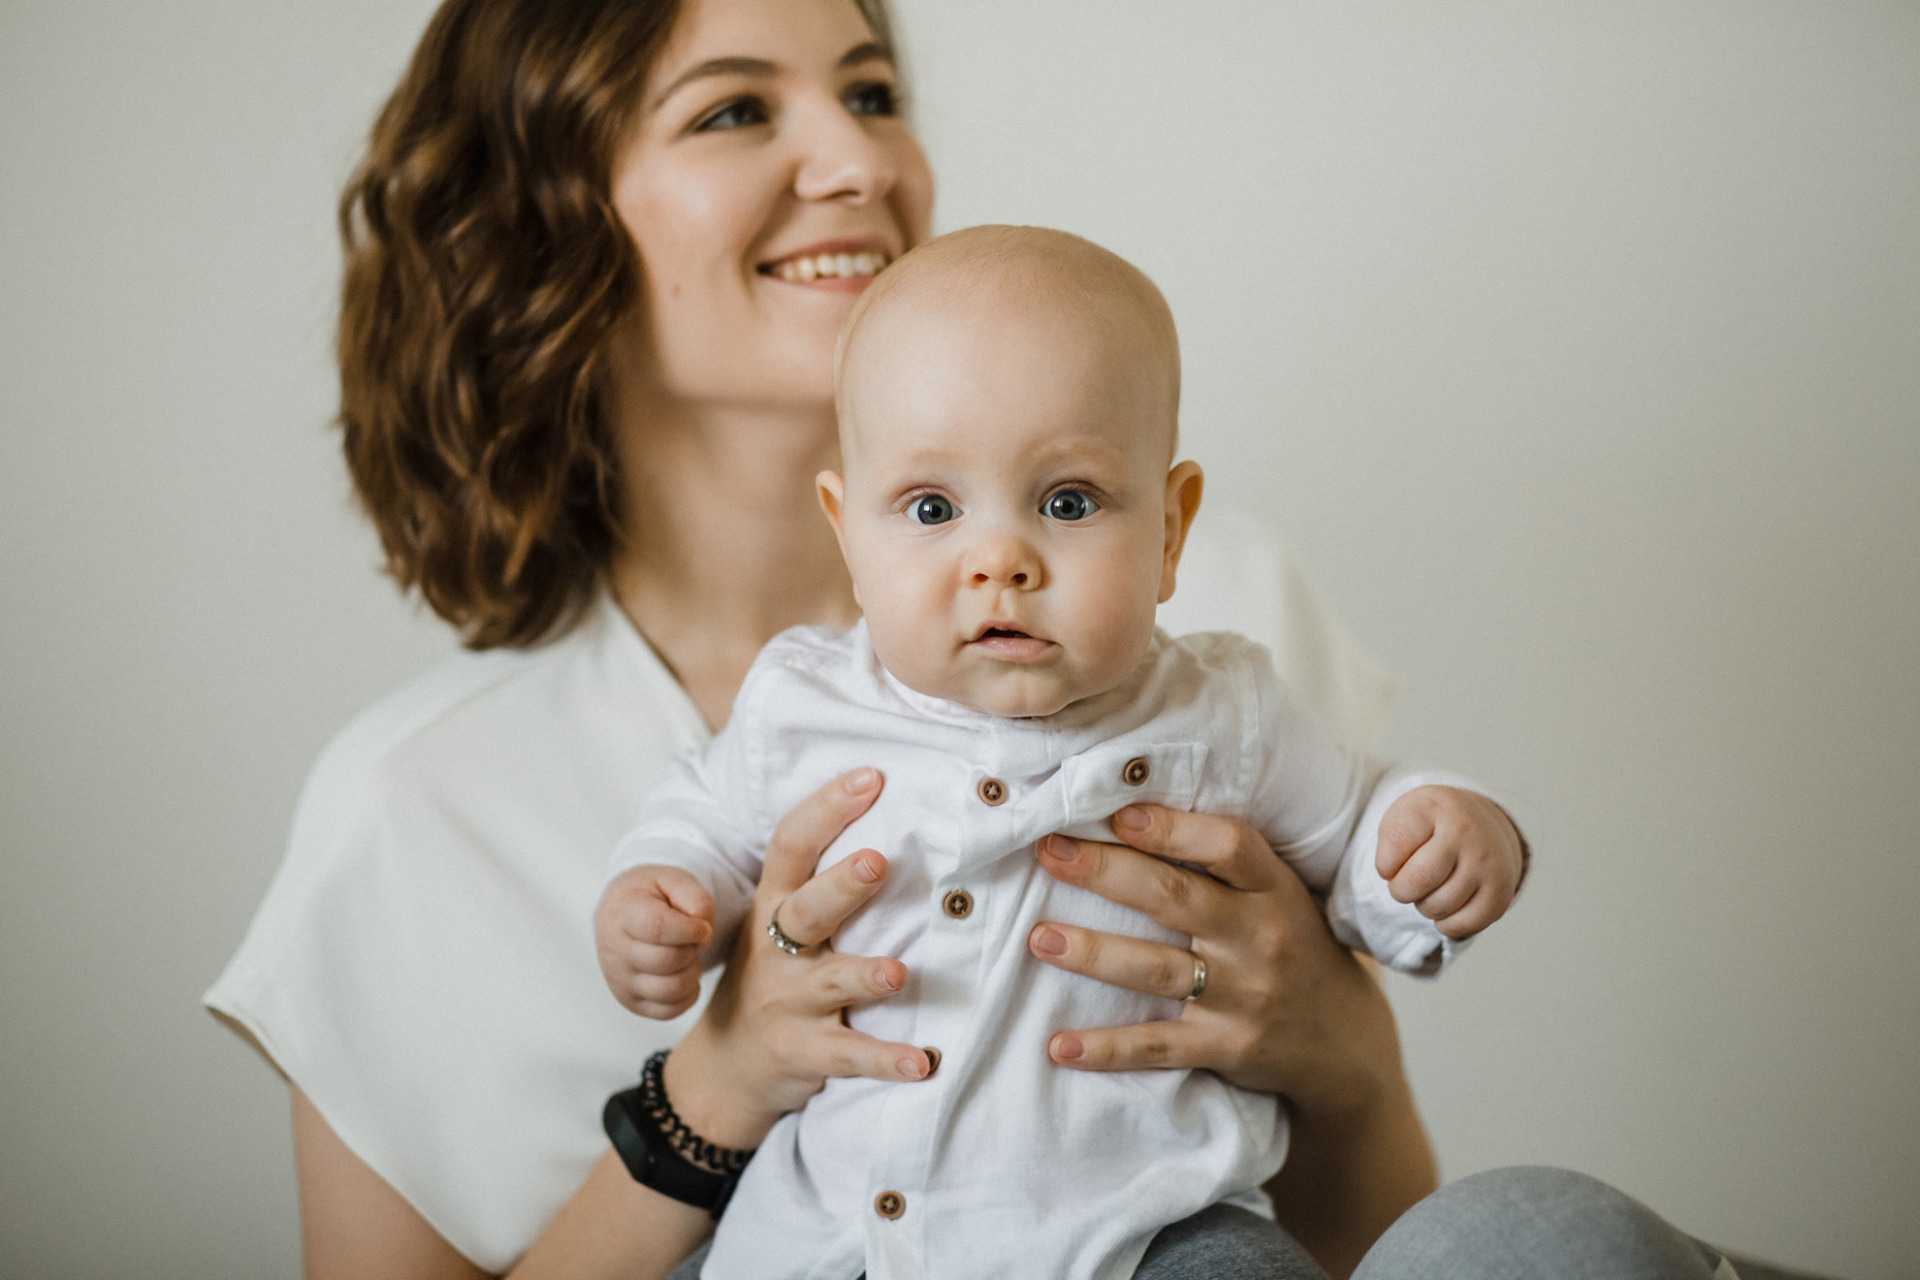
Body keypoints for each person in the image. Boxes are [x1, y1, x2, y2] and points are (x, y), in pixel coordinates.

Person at [202, 0, 1783, 1277]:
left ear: (1161, 518)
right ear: (539, 233)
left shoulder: (1207, 626)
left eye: (874, 90)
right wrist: (714, 1089)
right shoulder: (415, 812)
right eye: (737, 109)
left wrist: (1338, 1046)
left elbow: (1365, 1239)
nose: (859, 160)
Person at [595, 225, 1527, 1280]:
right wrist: (665, 895)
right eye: (932, 507)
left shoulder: (1223, 715)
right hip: (842, 1225)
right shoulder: (802, 704)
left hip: (1146, 1226)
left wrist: (1435, 833)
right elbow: (706, 824)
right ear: (847, 529)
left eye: (1068, 502)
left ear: (1171, 530)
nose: (1001, 560)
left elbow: (1362, 829)